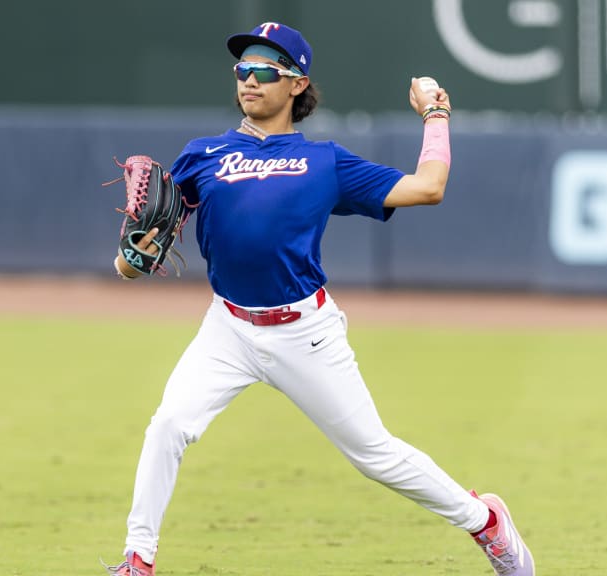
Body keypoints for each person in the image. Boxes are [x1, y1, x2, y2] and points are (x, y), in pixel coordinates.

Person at [103, 22, 534, 576]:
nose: (249, 80)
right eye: (242, 70)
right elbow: (133, 263)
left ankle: (484, 521)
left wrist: (435, 115)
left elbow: (428, 187)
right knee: (168, 426)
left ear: (297, 84)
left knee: (374, 455)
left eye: (265, 71)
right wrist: (133, 256)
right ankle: (138, 559)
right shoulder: (201, 156)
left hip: (303, 332)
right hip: (227, 328)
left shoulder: (325, 163)